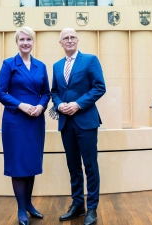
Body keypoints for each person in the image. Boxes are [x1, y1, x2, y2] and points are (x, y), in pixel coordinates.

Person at [0, 26, 50, 225]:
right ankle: (20, 209)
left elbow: (46, 92)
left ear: (33, 42)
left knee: (31, 163)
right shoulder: (9, 64)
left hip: (35, 119)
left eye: (29, 40)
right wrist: (21, 105)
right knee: (18, 164)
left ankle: (28, 204)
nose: (25, 43)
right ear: (17, 42)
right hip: (16, 120)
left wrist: (41, 107)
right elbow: (0, 92)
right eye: (22, 40)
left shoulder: (41, 66)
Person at [51, 27, 106, 225]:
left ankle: (92, 208)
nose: (69, 40)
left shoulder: (90, 60)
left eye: (73, 37)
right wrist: (58, 104)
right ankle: (77, 205)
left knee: (90, 166)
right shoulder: (57, 66)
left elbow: (100, 87)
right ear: (60, 43)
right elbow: (54, 91)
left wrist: (78, 104)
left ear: (77, 40)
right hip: (66, 123)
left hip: (86, 122)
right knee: (73, 167)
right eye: (65, 38)